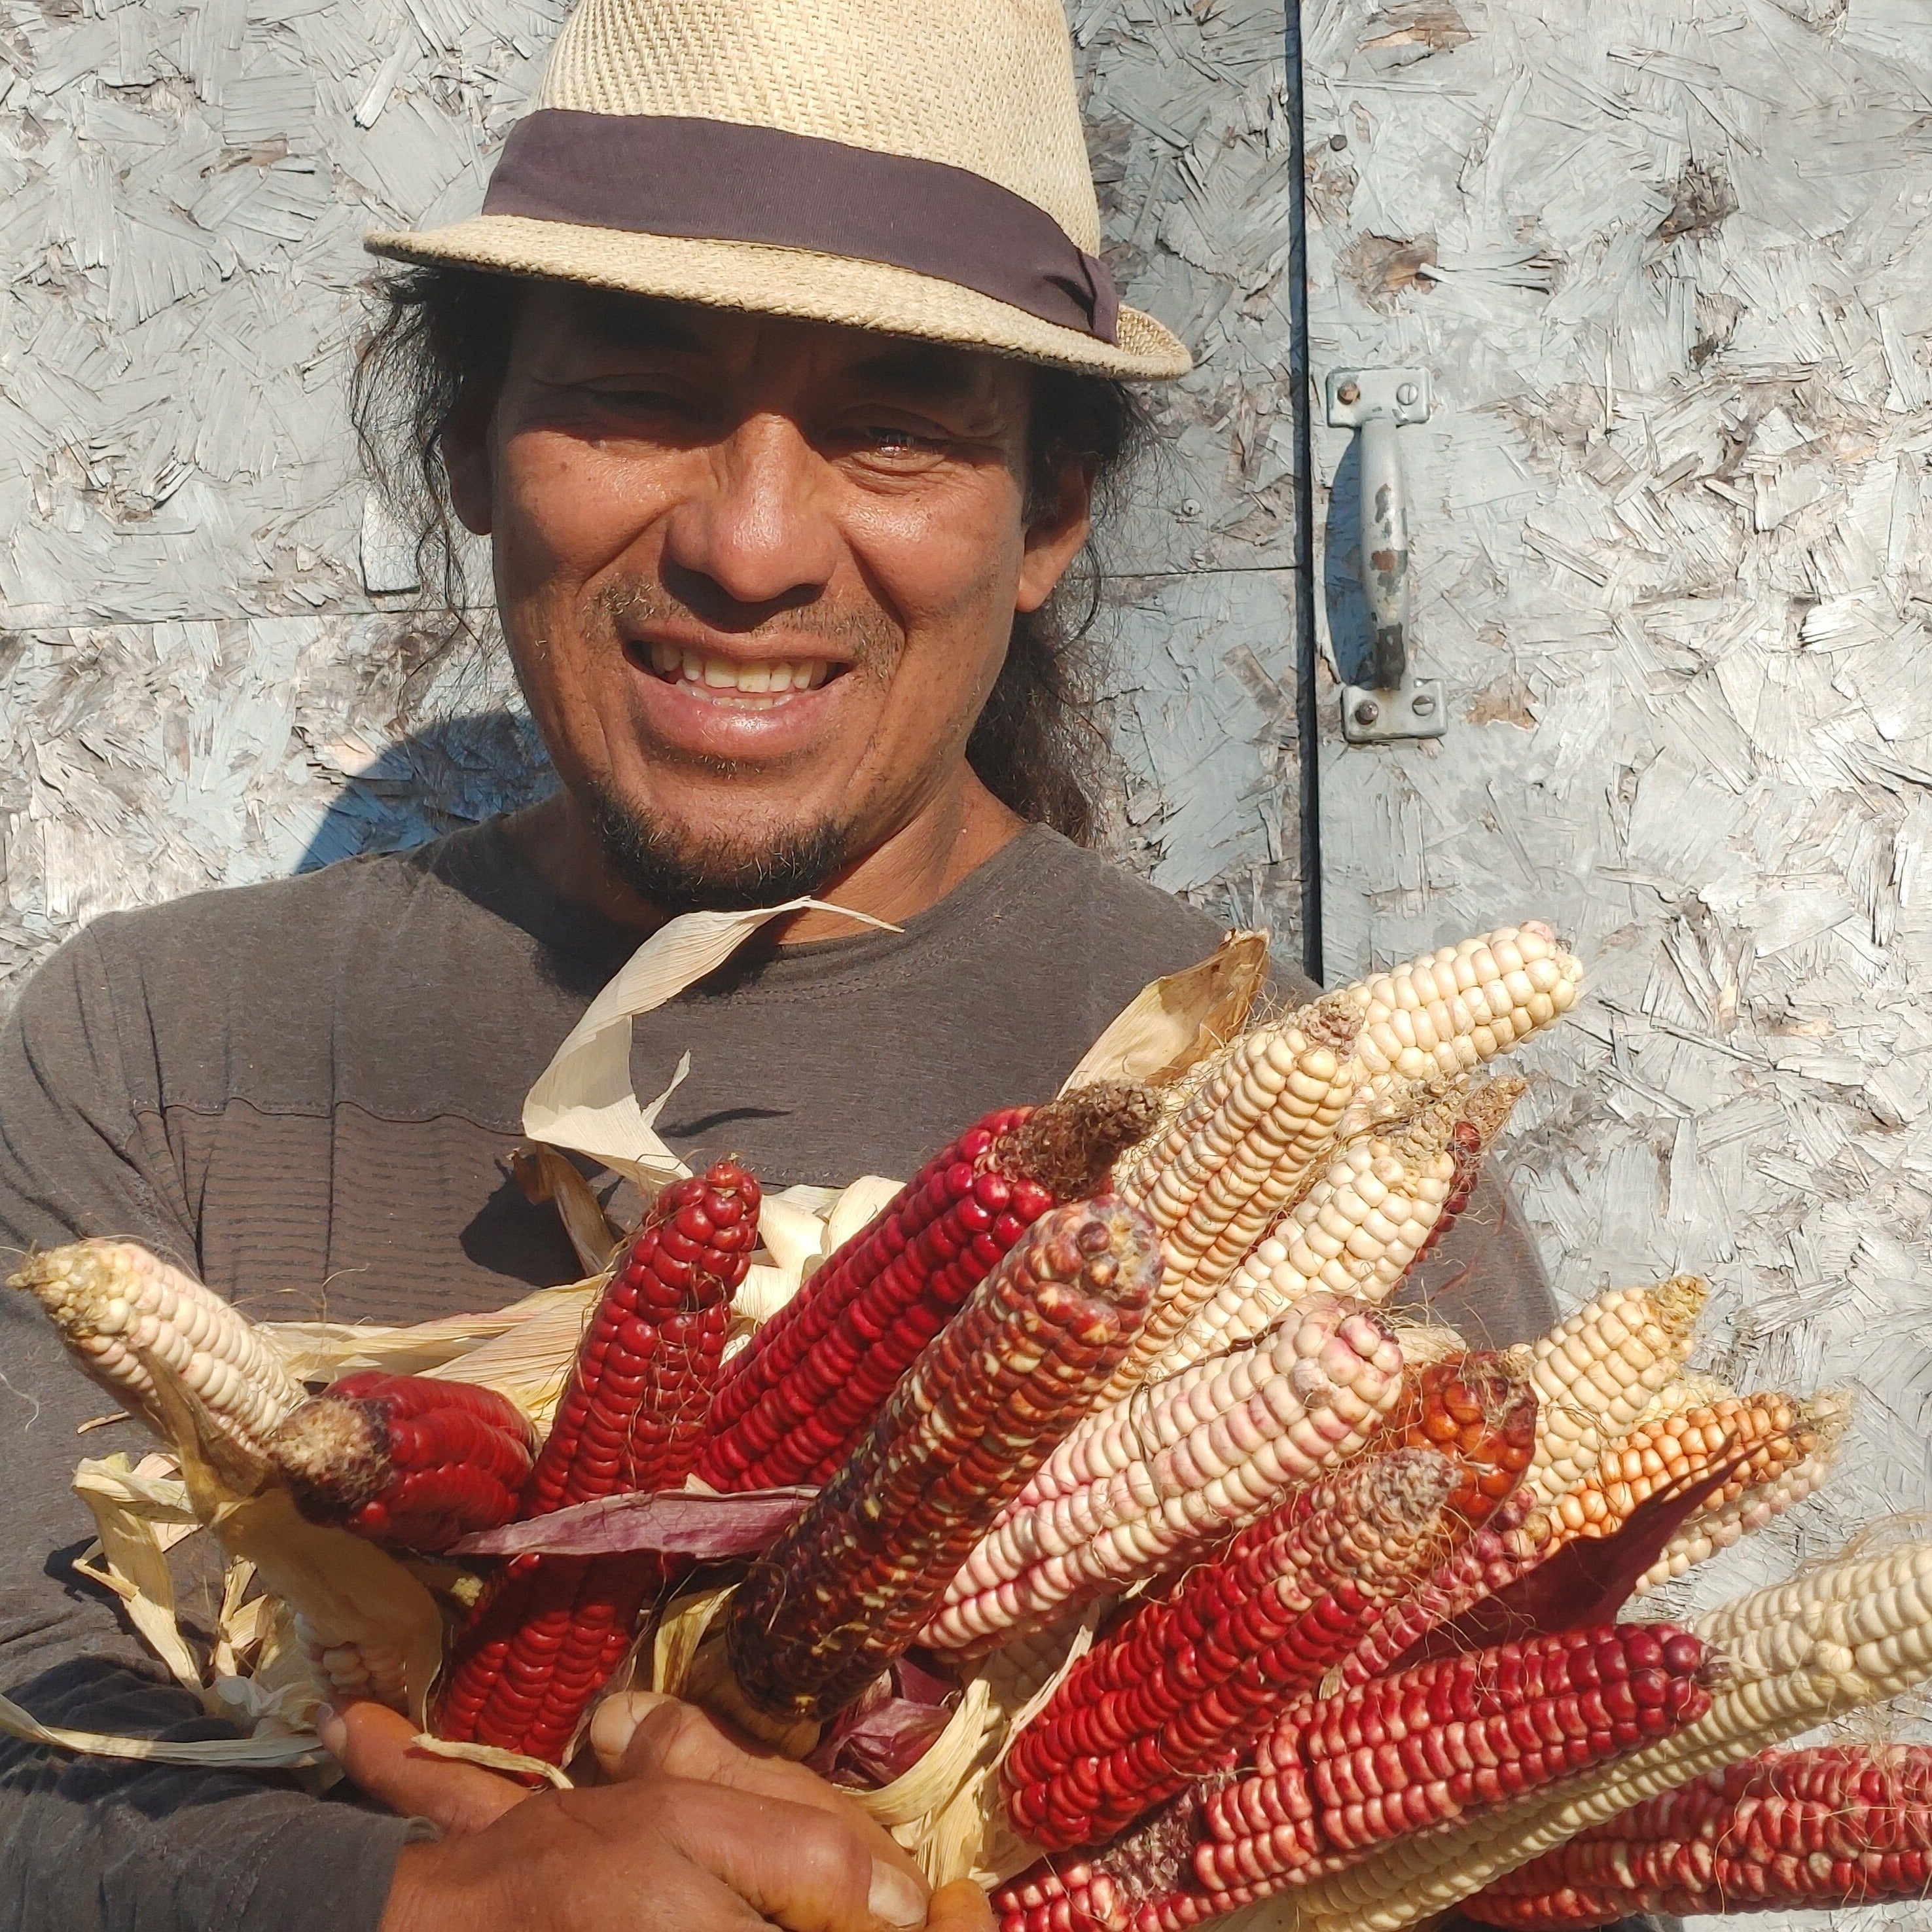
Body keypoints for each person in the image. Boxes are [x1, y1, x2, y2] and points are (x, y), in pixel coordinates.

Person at [0, 1, 1577, 1928]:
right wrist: (434, 1906)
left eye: (894, 429)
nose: (750, 548)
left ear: (1048, 519)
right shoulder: (156, 1054)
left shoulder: (1333, 1152)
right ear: (467, 446)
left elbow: (1521, 1848)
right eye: (642, 401)